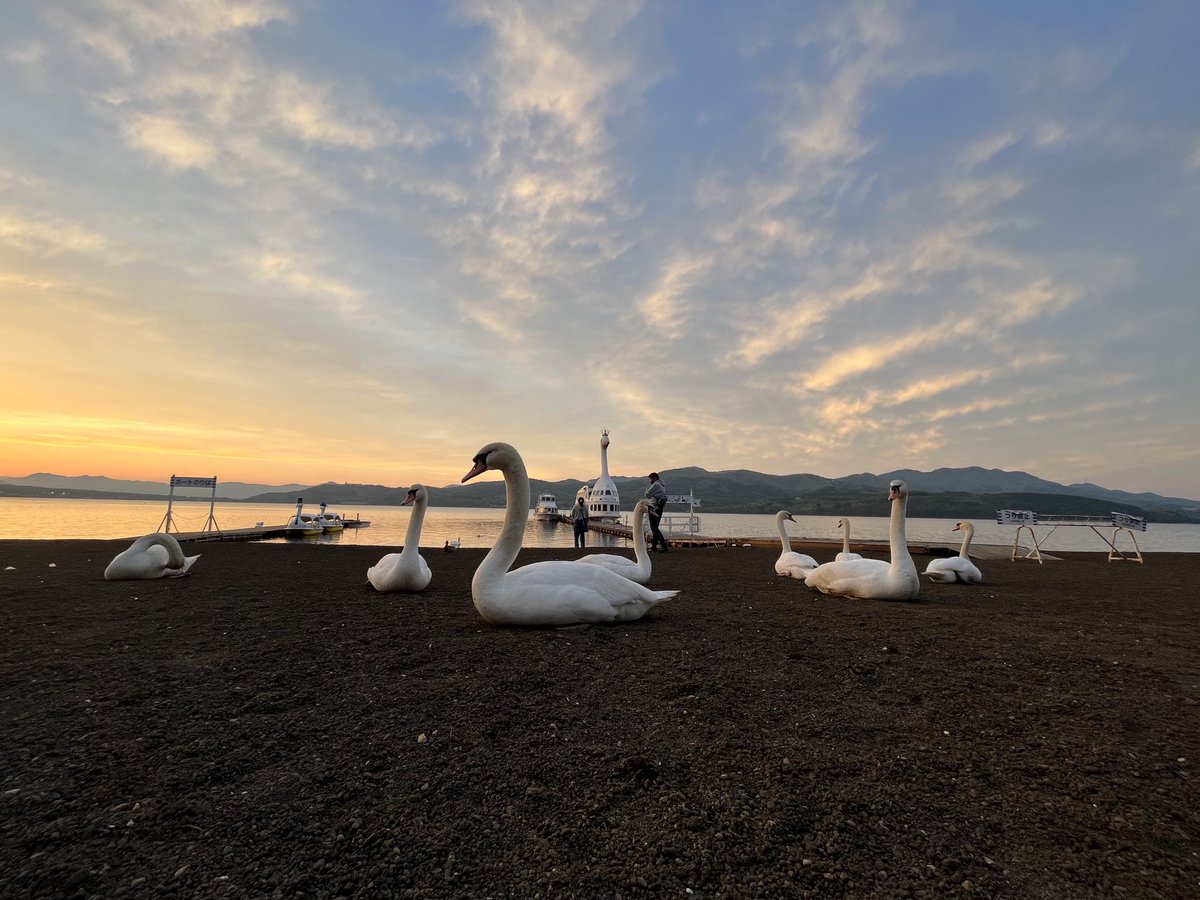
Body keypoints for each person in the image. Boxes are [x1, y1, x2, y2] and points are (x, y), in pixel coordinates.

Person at [645, 472, 668, 552]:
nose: (650, 481)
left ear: (654, 478)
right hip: (660, 508)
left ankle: (664, 546)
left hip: (653, 508)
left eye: (650, 479)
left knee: (654, 528)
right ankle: (654, 547)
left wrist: (651, 494)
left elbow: (646, 494)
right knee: (655, 528)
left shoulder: (656, 485)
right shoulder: (663, 485)